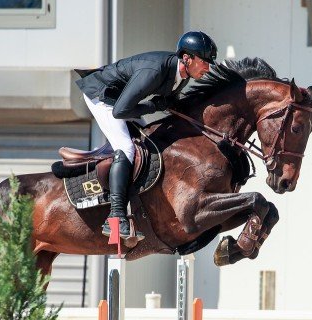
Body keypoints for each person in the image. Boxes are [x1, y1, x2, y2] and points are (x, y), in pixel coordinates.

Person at [75, 31, 218, 239]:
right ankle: (115, 217)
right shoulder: (155, 70)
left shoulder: (183, 77)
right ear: (187, 58)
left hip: (121, 100)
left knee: (147, 140)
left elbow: (166, 103)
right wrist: (152, 106)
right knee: (126, 147)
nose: (208, 67)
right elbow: (120, 111)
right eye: (205, 61)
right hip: (102, 96)